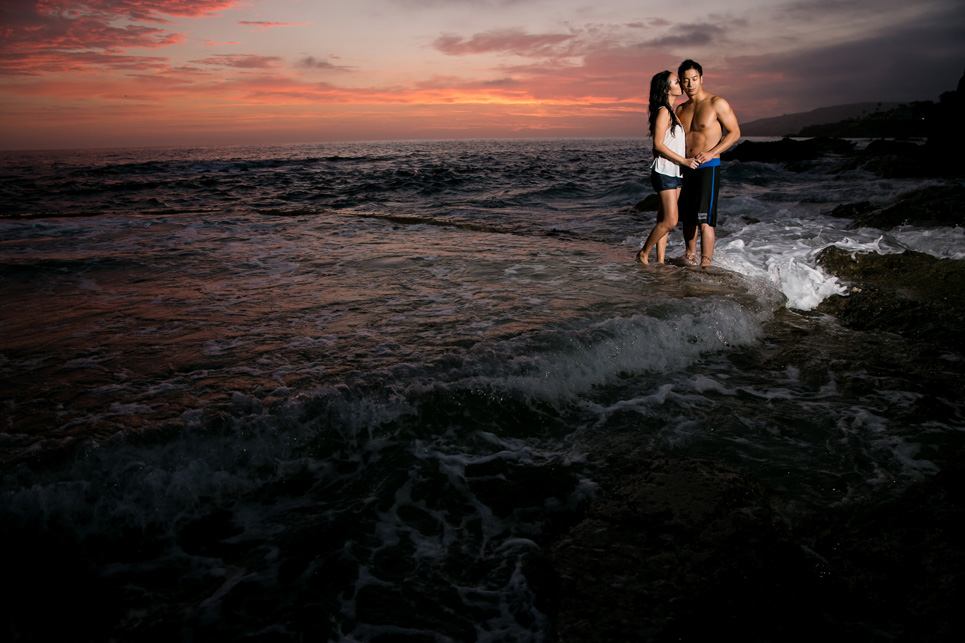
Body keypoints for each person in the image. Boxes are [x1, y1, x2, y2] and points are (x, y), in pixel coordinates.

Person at [675, 59, 740, 266]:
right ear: (681, 83)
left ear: (701, 79)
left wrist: (712, 152)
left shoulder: (716, 103)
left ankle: (706, 264)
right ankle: (690, 258)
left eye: (694, 79)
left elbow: (735, 132)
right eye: (685, 80)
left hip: (707, 167)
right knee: (687, 219)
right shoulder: (680, 109)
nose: (690, 84)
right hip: (687, 167)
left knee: (705, 221)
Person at [636, 71, 699, 264]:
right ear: (665, 88)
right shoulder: (664, 111)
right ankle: (643, 254)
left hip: (675, 172)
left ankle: (660, 261)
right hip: (665, 172)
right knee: (671, 221)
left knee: (663, 218)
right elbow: (658, 145)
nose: (680, 83)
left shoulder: (672, 111)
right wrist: (685, 161)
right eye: (676, 81)